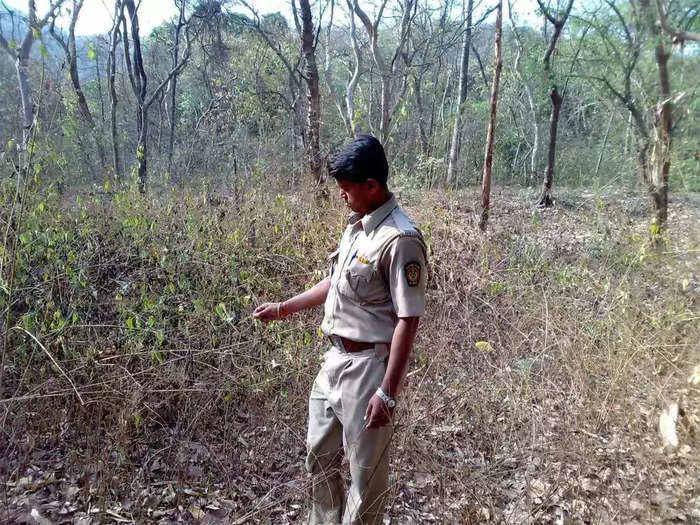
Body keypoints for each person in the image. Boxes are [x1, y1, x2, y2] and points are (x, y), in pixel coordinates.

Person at [253, 134, 428, 524]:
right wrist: (284, 308)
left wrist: (388, 392)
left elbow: (408, 319)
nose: (342, 197)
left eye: (347, 189)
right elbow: (334, 282)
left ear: (372, 186)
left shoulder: (401, 239)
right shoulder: (357, 227)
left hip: (368, 368)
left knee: (366, 476)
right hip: (333, 360)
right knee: (318, 457)